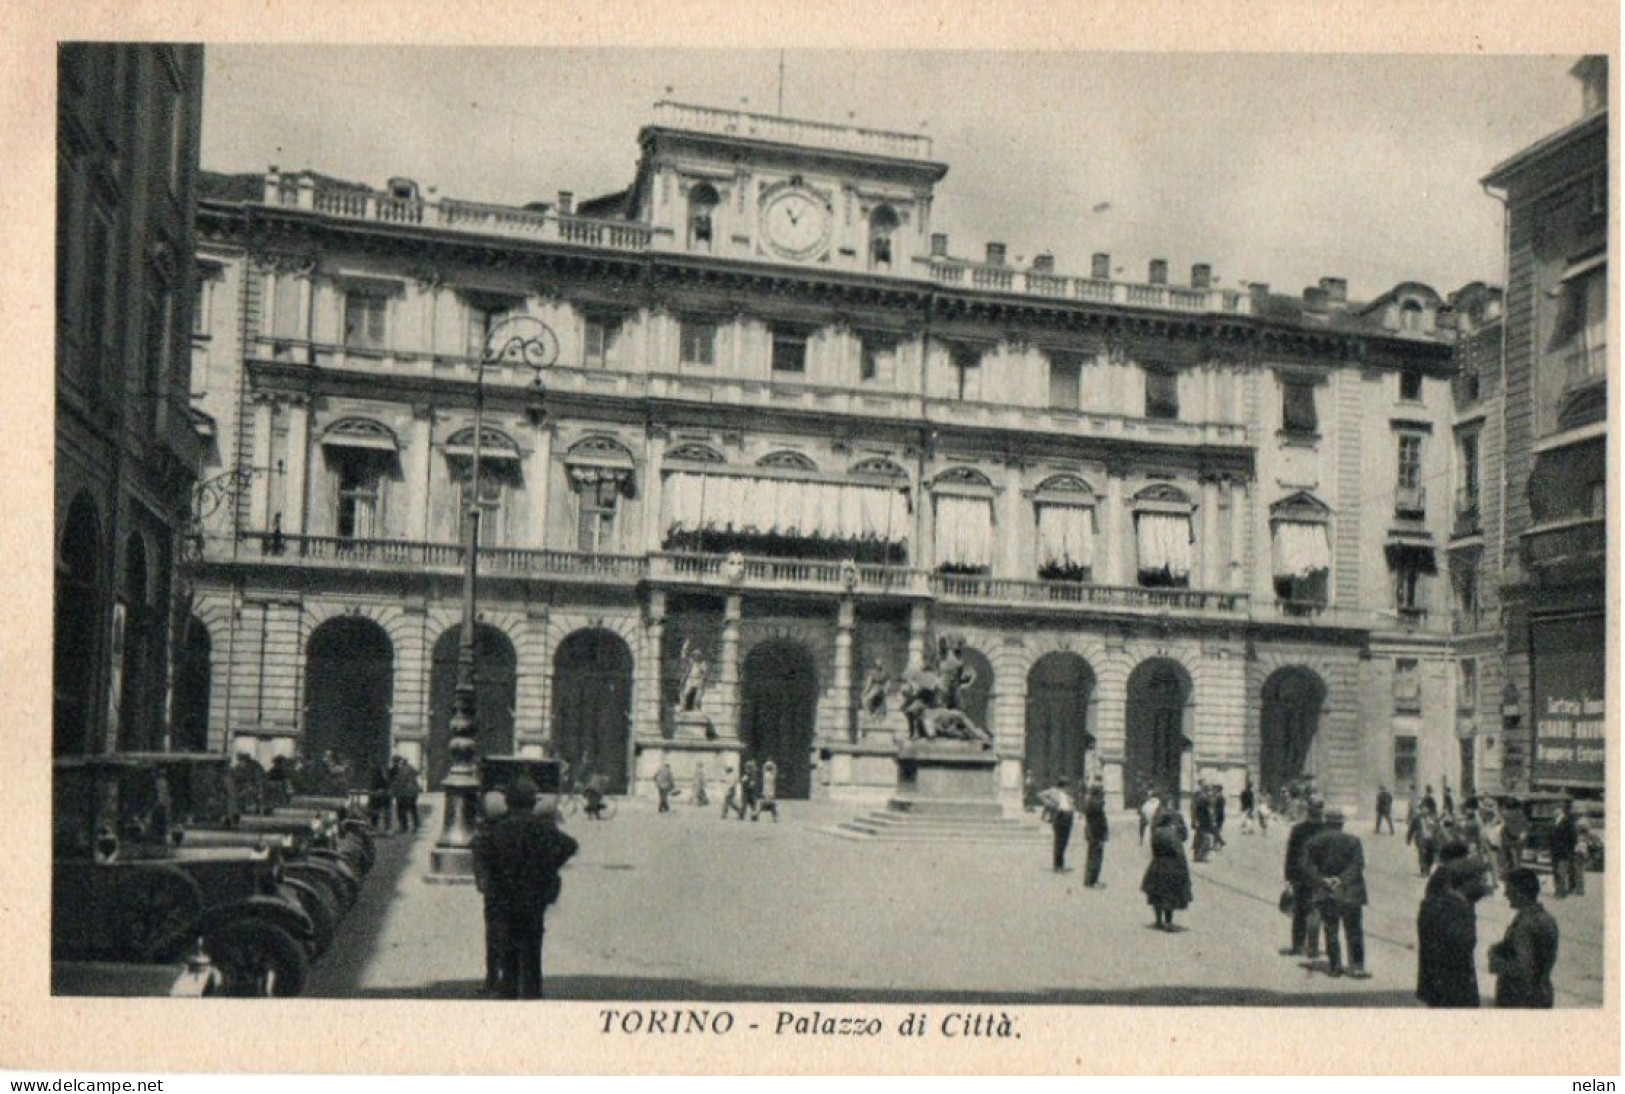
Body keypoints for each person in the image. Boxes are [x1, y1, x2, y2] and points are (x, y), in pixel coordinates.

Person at [479, 778, 579, 1000]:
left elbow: (481, 852)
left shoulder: (497, 828)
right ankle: (533, 991)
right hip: (533, 895)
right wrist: (549, 866)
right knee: (532, 945)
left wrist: (492, 875)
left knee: (507, 945)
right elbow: (569, 846)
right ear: (533, 803)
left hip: (503, 896)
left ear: (508, 802)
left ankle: (507, 989)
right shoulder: (542, 827)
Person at [1301, 810, 1369, 978]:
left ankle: (1335, 965)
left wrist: (1323, 880)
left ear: (1326, 823)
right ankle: (1357, 966)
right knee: (1354, 930)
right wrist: (1341, 880)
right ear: (1342, 823)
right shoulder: (1354, 841)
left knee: (1331, 928)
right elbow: (1358, 865)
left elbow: (1306, 866)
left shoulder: (1314, 841)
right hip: (1350, 892)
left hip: (1327, 892)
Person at [1416, 854, 1489, 1008]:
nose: (1485, 885)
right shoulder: (1457, 909)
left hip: (1437, 985)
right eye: (1482, 880)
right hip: (1454, 989)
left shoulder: (1436, 903)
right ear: (1469, 882)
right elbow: (1463, 945)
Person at [1488, 867, 1559, 1008]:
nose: (1506, 894)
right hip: (1542, 993)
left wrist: (1496, 962)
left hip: (1521, 998)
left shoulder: (1525, 925)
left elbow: (1522, 969)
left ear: (1520, 892)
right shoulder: (1546, 918)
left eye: (1508, 889)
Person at [470, 790, 510, 995]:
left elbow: (479, 865)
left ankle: (492, 979)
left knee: (494, 936)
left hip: (495, 894)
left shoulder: (483, 836)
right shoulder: (515, 831)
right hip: (517, 892)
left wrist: (483, 882)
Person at [1281, 797, 1326, 958]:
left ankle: (1298, 946)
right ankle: (1313, 947)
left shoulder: (1298, 829)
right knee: (1315, 911)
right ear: (1321, 810)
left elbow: (1291, 855)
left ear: (1308, 809)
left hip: (1300, 876)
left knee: (1299, 911)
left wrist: (1288, 878)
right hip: (1320, 877)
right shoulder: (1326, 829)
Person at [1141, 808, 1192, 931]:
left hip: (1157, 864)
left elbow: (1153, 849)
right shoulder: (1172, 833)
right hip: (1171, 866)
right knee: (1170, 895)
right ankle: (1168, 922)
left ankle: (1158, 920)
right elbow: (1178, 851)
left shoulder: (1156, 832)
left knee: (1156, 894)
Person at [1037, 778, 1076, 873]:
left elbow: (1071, 804)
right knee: (1059, 842)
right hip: (1059, 817)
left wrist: (1072, 809)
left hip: (1068, 817)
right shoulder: (1053, 791)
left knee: (1064, 843)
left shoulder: (1068, 794)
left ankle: (1061, 865)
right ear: (1063, 785)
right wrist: (1051, 804)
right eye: (1067, 785)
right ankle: (1057, 866)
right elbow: (1040, 795)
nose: (1068, 788)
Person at [1548, 801, 1581, 898]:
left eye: (1556, 809)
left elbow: (1573, 838)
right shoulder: (1553, 821)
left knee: (1561, 872)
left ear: (1561, 811)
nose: (1554, 811)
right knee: (1556, 872)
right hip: (1555, 851)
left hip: (1564, 851)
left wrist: (1568, 849)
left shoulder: (1567, 822)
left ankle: (1561, 892)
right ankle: (1558, 890)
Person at [1082, 782, 1109, 888]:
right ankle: (1093, 881)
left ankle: (1089, 880)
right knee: (1096, 858)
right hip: (1096, 834)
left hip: (1092, 833)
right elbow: (1099, 820)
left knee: (1092, 857)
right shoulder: (1095, 804)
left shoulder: (1090, 802)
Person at [389, 755, 422, 833]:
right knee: (413, 809)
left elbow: (399, 782)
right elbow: (417, 773)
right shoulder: (410, 769)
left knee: (401, 810)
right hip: (413, 793)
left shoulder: (401, 771)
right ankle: (416, 826)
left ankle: (404, 827)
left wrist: (394, 792)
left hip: (404, 793)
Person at [1190, 783, 1214, 863]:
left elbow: (1194, 811)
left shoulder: (1200, 799)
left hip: (1201, 823)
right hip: (1203, 823)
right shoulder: (1204, 800)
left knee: (1199, 839)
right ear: (1205, 791)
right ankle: (1201, 856)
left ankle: (1197, 856)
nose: (1210, 792)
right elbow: (1208, 812)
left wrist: (1194, 821)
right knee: (1206, 840)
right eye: (1209, 790)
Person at [368, 762, 394, 832]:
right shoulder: (376, 774)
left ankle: (386, 828)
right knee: (375, 813)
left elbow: (388, 785)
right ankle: (375, 828)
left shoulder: (381, 774)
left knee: (385, 813)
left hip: (383, 796)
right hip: (377, 796)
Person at [1210, 783, 1227, 849]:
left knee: (1215, 830)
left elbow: (1218, 809)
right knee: (1216, 830)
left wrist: (1214, 816)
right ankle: (1217, 843)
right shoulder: (1218, 796)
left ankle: (1220, 842)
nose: (1213, 790)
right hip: (1219, 816)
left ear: (1217, 790)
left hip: (1218, 816)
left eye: (1214, 789)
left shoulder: (1219, 797)